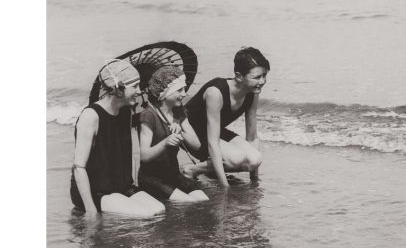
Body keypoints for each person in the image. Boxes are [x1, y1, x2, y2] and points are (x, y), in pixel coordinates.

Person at [70, 59, 166, 217]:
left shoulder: (126, 111)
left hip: (121, 186)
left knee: (159, 210)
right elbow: (79, 168)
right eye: (135, 86)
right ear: (118, 88)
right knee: (145, 215)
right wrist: (91, 211)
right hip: (96, 190)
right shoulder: (91, 116)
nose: (140, 90)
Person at [182, 46, 268, 186]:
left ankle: (211, 169)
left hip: (214, 129)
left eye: (264, 76)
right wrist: (225, 187)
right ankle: (192, 170)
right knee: (236, 158)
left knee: (255, 159)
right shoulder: (215, 93)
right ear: (239, 76)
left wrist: (254, 181)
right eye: (257, 77)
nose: (263, 81)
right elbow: (213, 143)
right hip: (191, 132)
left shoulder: (253, 92)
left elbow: (252, 137)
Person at [137, 66, 209, 202]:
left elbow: (197, 145)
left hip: (172, 174)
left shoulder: (178, 111)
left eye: (184, 89)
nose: (184, 94)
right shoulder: (148, 115)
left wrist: (181, 132)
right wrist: (165, 142)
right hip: (151, 177)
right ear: (164, 92)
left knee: (202, 200)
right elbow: (144, 156)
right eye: (179, 90)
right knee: (189, 202)